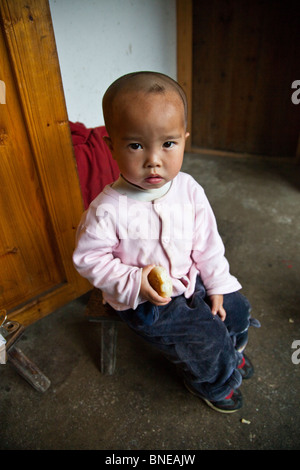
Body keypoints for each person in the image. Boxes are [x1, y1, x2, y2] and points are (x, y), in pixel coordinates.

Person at [73, 71, 260, 413]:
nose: (154, 159)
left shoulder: (187, 188)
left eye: (168, 144)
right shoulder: (108, 209)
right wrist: (135, 281)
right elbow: (89, 259)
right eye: (136, 145)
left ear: (184, 140)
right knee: (205, 339)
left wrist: (217, 282)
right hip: (147, 302)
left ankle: (229, 355)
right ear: (111, 146)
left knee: (236, 310)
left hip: (190, 275)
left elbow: (207, 240)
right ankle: (213, 382)